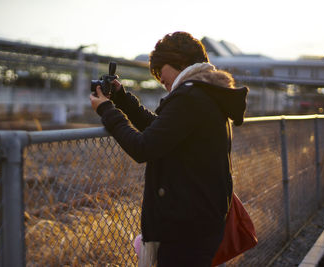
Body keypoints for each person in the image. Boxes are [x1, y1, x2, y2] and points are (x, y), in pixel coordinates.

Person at [90, 31, 248, 267]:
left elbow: (143, 147)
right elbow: (161, 130)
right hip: (201, 222)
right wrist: (122, 99)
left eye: (160, 72)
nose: (160, 79)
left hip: (186, 231)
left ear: (180, 62)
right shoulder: (206, 93)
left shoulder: (190, 97)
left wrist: (107, 111)